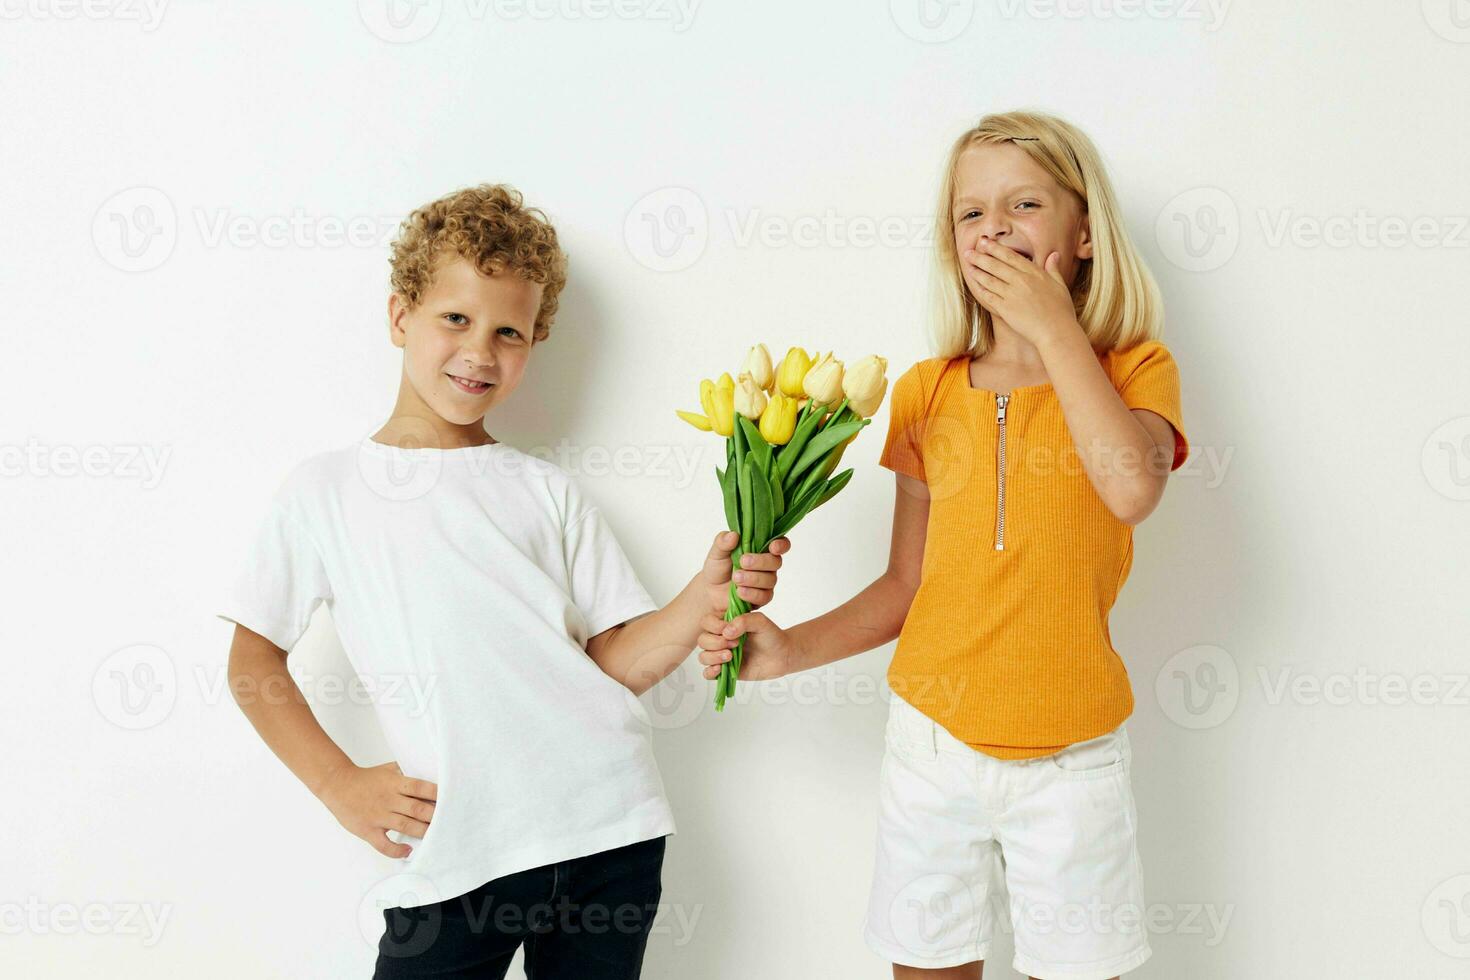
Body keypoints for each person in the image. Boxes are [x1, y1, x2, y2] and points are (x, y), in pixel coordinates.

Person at [216, 184, 789, 979]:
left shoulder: (545, 492)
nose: (480, 351)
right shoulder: (325, 492)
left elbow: (614, 663)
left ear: (535, 343)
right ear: (399, 317)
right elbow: (252, 663)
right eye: (456, 319)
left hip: (607, 833)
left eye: (509, 332)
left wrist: (703, 594)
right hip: (457, 853)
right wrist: (339, 784)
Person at [695, 111, 1190, 980]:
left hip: (1072, 759)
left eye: (1024, 203)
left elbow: (1132, 487)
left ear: (1081, 234)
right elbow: (906, 583)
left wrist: (1055, 330)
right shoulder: (926, 392)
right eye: (971, 212)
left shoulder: (1134, 369)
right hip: (932, 749)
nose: (994, 226)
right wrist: (788, 651)